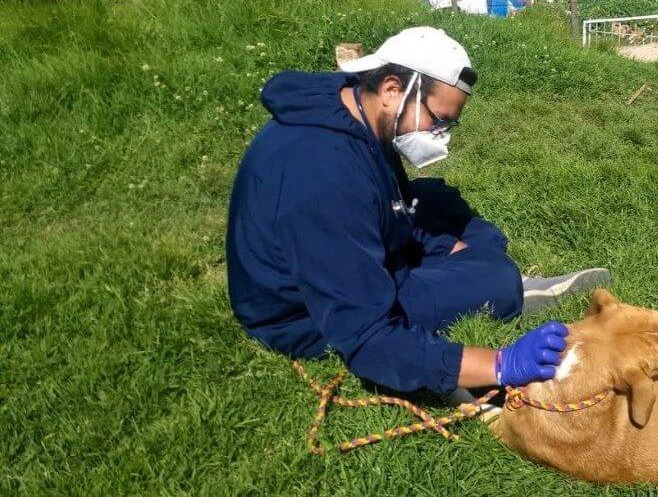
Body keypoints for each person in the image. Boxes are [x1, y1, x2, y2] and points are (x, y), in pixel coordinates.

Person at [226, 27, 610, 399]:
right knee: (495, 275)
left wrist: (449, 244)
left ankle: (468, 266)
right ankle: (511, 287)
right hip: (304, 318)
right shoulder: (322, 176)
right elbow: (369, 337)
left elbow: (389, 200)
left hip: (339, 260)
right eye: (438, 120)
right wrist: (499, 363)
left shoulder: (352, 107)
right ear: (393, 89)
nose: (442, 135)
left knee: (445, 202)